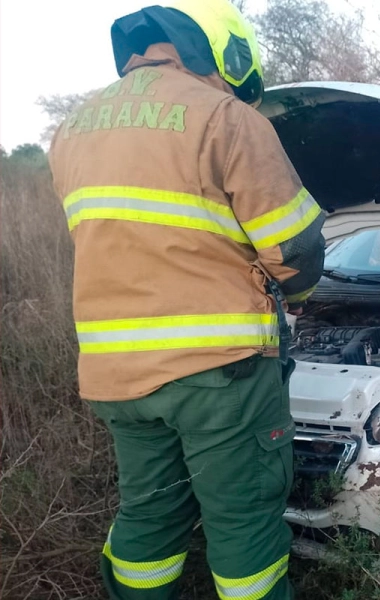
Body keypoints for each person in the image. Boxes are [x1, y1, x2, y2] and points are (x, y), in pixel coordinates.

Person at [47, 1, 325, 598]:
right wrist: (299, 295)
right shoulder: (225, 116)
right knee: (243, 521)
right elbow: (294, 248)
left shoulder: (73, 129)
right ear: (225, 50)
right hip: (216, 375)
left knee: (148, 517)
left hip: (115, 376)